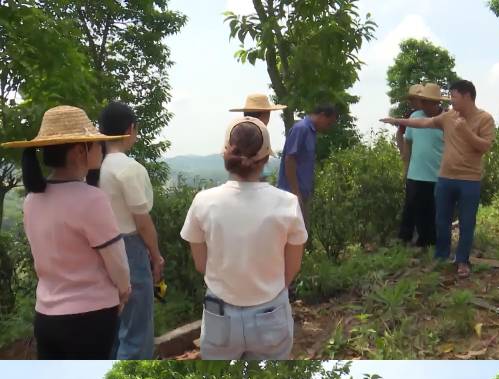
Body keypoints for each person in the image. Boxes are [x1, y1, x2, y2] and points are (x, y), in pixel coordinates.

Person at [1, 106, 131, 358]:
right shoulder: (92, 199)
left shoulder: (32, 200)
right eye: (93, 144)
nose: (99, 149)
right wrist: (124, 289)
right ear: (78, 152)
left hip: (46, 318)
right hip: (91, 318)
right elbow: (117, 262)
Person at [181, 119, 306, 360]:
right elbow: (293, 267)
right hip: (271, 312)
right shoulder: (288, 203)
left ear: (225, 152)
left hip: (220, 315)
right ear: (267, 157)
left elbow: (200, 264)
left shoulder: (203, 201)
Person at [382, 78, 495, 279]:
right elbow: (423, 122)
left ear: (467, 96)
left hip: (469, 180)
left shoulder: (485, 119)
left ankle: (462, 261)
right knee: (441, 221)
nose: (451, 101)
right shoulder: (448, 117)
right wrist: (398, 121)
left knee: (467, 222)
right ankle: (441, 257)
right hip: (445, 178)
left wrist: (465, 131)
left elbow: (484, 146)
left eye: (454, 97)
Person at [98, 100, 164, 358]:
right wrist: (156, 255)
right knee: (136, 331)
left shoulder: (94, 169)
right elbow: (142, 221)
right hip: (130, 249)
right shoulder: (128, 169)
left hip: (102, 249)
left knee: (113, 328)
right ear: (130, 129)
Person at [397, 85, 446, 250]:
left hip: (438, 175)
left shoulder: (447, 120)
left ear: (436, 103)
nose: (421, 104)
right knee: (413, 210)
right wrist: (406, 166)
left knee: (433, 212)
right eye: (421, 101)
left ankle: (432, 244)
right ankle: (410, 242)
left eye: (425, 101)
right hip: (415, 174)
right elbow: (408, 142)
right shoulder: (415, 116)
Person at [277, 103, 338, 227]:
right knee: (294, 235)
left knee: (301, 234)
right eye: (328, 123)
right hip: (291, 194)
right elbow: (290, 159)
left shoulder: (312, 132)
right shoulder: (301, 129)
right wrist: (295, 192)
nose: (328, 127)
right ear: (321, 116)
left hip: (302, 193)